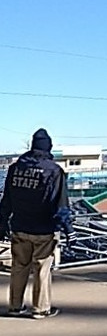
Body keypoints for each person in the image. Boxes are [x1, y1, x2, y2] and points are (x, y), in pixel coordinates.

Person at [0, 128, 74, 318]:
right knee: (42, 268)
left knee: (19, 267)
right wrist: (68, 229)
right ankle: (41, 309)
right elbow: (61, 205)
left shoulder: (15, 168)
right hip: (44, 229)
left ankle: (15, 306)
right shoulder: (54, 171)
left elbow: (6, 200)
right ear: (48, 147)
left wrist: (2, 223)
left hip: (19, 226)